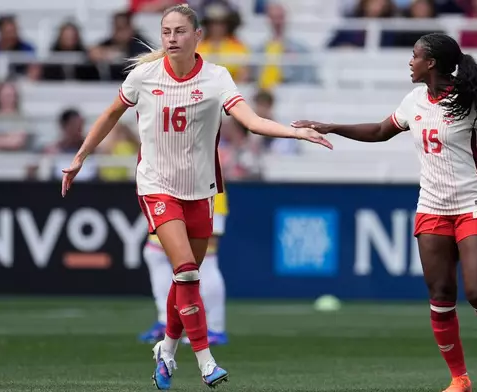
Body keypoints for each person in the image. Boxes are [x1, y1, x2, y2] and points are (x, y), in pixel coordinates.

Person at [60, 4, 331, 390]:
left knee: (185, 279)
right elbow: (110, 114)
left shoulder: (217, 78)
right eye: (166, 31)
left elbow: (251, 122)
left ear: (197, 36)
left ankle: (166, 351)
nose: (171, 38)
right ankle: (206, 361)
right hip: (156, 186)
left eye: (179, 31)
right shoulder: (144, 75)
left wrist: (295, 132)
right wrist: (80, 157)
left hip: (200, 191)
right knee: (186, 270)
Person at [292, 32, 477, 392]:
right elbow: (381, 131)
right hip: (431, 207)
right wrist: (331, 126)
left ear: (430, 63)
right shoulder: (415, 100)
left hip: (472, 203)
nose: (409, 62)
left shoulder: (469, 102)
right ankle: (459, 379)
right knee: (441, 295)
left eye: (415, 56)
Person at [139, 190, 229, 346]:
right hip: (174, 191)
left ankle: (215, 328)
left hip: (204, 189)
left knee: (205, 258)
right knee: (154, 252)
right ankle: (167, 321)